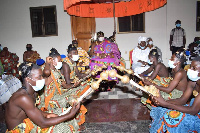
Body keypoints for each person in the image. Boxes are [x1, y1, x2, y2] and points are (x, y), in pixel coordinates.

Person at [5, 63, 81, 132]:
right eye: (39, 77)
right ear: (28, 79)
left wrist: (46, 114)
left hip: (28, 121)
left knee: (64, 111)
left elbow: (33, 110)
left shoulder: (32, 91)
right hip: (21, 129)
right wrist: (69, 115)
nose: (42, 80)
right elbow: (43, 123)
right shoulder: (23, 98)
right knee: (63, 128)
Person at [149, 56, 200, 133]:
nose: (190, 70)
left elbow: (193, 111)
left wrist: (166, 104)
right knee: (162, 109)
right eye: (190, 67)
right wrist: (162, 102)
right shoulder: (193, 81)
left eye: (194, 68)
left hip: (195, 111)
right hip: (194, 107)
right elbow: (182, 100)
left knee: (173, 118)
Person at [39, 48, 87, 127]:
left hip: (58, 94)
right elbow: (46, 72)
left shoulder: (56, 71)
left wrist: (74, 85)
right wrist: (47, 63)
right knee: (72, 100)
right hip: (50, 99)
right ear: (53, 61)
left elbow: (64, 85)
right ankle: (70, 121)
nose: (61, 62)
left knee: (76, 97)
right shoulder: (46, 71)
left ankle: (75, 120)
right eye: (60, 60)